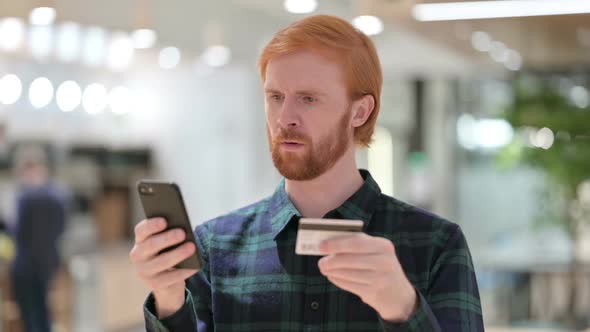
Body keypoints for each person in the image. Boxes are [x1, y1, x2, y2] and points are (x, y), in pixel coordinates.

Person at [131, 15, 484, 331]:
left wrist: (404, 309)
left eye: (308, 98)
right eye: (275, 97)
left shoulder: (436, 246)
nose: (285, 118)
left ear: (359, 111)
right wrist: (169, 299)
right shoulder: (214, 247)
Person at [10, 145, 67, 332]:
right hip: (48, 262)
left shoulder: (26, 198)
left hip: (26, 266)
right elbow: (62, 229)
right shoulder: (59, 195)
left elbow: (17, 233)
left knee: (30, 313)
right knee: (43, 310)